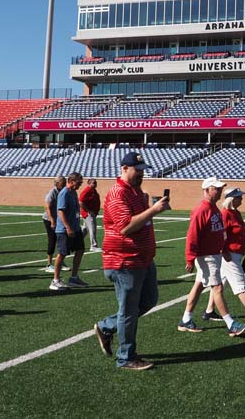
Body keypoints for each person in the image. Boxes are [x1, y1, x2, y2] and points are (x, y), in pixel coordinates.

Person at [94, 152, 169, 370]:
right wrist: (154, 210)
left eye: (143, 170)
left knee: (149, 300)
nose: (141, 174)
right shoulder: (118, 193)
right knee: (128, 311)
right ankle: (125, 357)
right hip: (124, 261)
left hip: (142, 258)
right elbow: (125, 226)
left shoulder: (136, 192)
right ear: (124, 168)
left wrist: (151, 208)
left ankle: (106, 327)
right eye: (138, 170)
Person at [178, 177, 245, 336]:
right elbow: (192, 235)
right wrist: (190, 257)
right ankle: (231, 324)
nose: (219, 191)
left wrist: (223, 249)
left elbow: (219, 233)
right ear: (207, 190)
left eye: (220, 188)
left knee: (199, 286)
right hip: (206, 256)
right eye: (216, 189)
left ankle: (185, 319)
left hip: (214, 254)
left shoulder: (214, 208)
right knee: (217, 287)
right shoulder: (201, 209)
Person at [202, 188, 245, 325]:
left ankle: (209, 311)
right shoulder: (225, 214)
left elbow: (243, 233)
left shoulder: (236, 213)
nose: (242, 199)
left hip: (236, 253)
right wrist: (223, 251)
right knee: (240, 283)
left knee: (220, 282)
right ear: (232, 199)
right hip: (229, 254)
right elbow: (219, 235)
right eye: (239, 197)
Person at [50, 172, 89, 291]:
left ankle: (74, 277)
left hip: (75, 228)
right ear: (71, 181)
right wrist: (67, 227)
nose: (80, 185)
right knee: (62, 253)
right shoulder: (64, 193)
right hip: (65, 230)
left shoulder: (73, 192)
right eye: (79, 182)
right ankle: (55, 280)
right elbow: (60, 211)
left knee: (80, 250)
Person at [43, 176, 66, 272]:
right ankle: (49, 264)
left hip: (58, 219)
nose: (64, 184)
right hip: (49, 219)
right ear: (57, 184)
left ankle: (60, 262)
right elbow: (47, 207)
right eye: (63, 182)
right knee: (52, 240)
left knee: (61, 240)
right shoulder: (53, 192)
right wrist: (52, 220)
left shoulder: (63, 191)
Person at [79, 178, 102, 252]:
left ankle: (75, 242)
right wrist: (88, 211)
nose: (95, 184)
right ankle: (93, 246)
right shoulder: (87, 190)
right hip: (88, 214)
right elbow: (80, 202)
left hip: (91, 213)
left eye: (96, 183)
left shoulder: (93, 191)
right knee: (92, 229)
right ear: (89, 183)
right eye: (94, 183)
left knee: (85, 230)